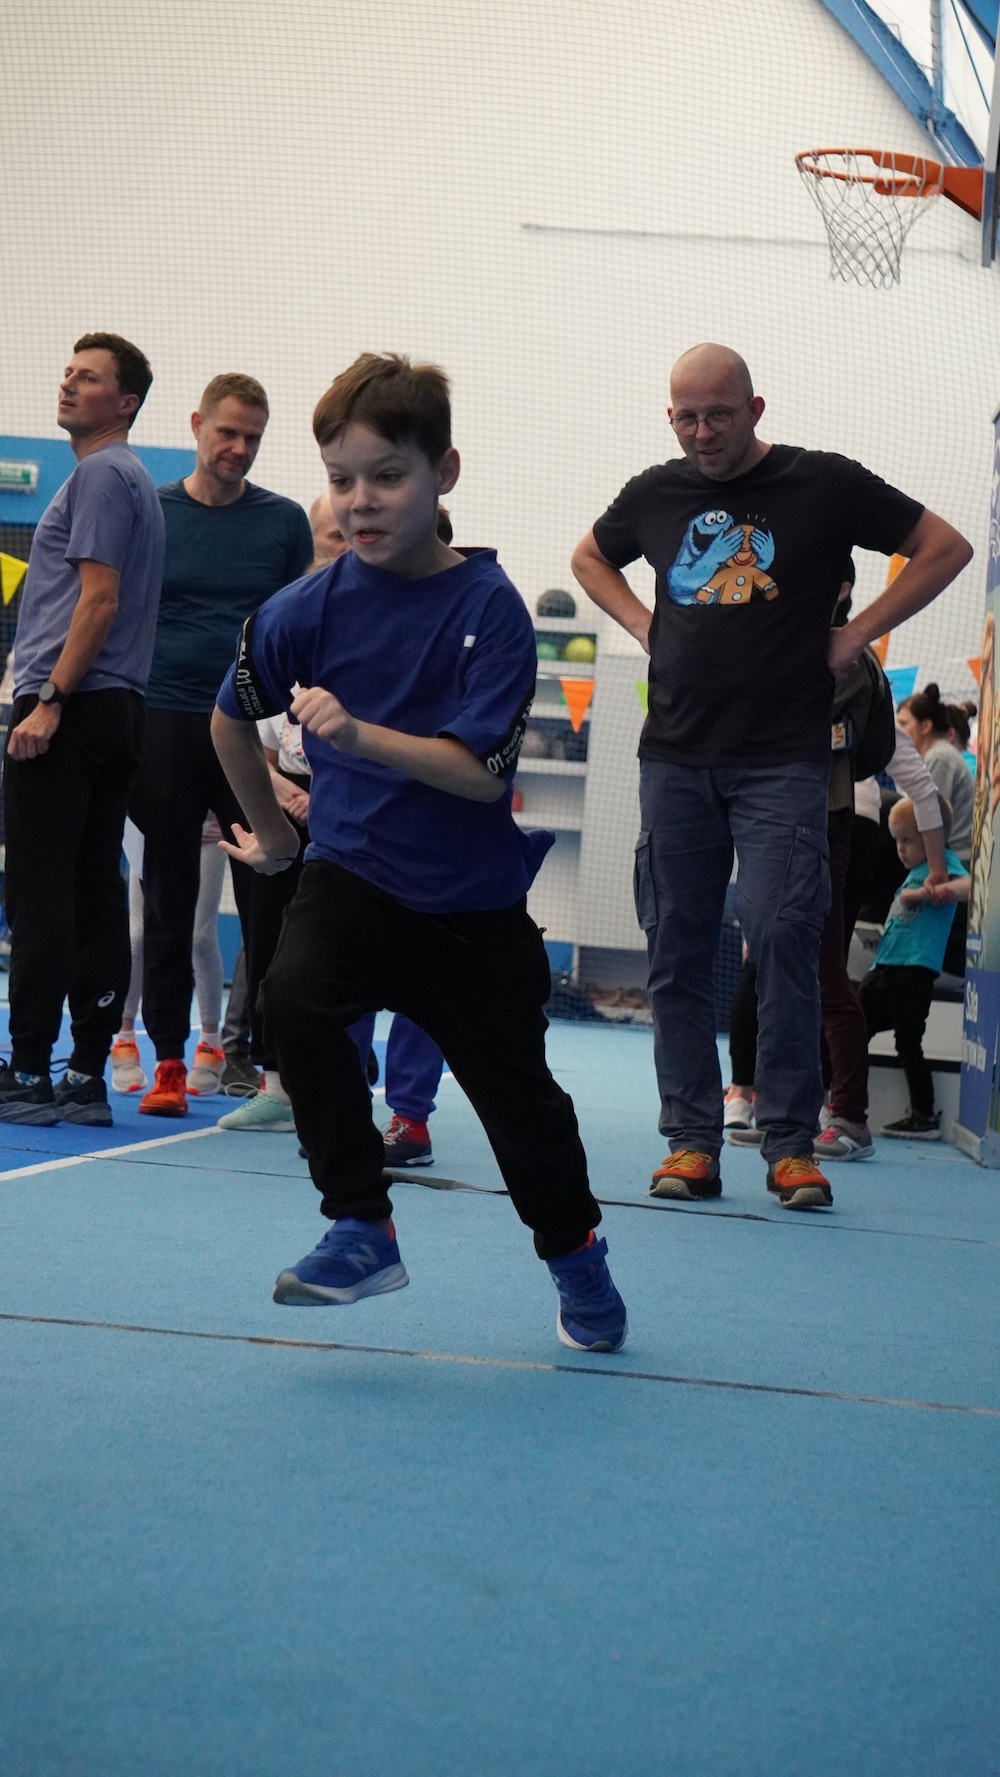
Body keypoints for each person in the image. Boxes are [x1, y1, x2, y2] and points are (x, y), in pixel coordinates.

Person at [211, 351, 626, 1354]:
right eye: (340, 479)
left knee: (528, 1122)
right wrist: (279, 837)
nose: (360, 500)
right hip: (350, 878)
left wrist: (357, 736)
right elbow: (227, 720)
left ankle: (577, 1257)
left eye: (387, 476)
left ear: (444, 472)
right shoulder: (303, 609)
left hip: (470, 913)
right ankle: (361, 1224)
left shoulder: (489, 609)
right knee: (292, 1000)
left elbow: (479, 776)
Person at [571, 341, 972, 1210]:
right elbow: (588, 558)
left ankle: (791, 1145)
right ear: (669, 417)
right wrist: (643, 624)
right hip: (675, 758)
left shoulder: (820, 483)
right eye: (687, 417)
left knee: (787, 941)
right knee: (676, 948)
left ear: (756, 409)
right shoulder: (655, 494)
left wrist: (855, 634)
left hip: (784, 763)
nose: (703, 432)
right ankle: (691, 1140)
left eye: (719, 414)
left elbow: (945, 546)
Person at [129, 372, 313, 1117]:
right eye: (227, 432)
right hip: (163, 723)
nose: (238, 447)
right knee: (168, 902)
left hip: (248, 730)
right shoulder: (151, 511)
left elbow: (301, 631)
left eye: (252, 437)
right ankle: (170, 1061)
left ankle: (272, 1071)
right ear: (197, 425)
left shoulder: (284, 523)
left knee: (270, 901)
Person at [0, 333, 164, 1126]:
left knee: (42, 890)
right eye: (67, 372)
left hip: (72, 704)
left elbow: (99, 599)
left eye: (88, 377)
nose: (68, 384)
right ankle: (86, 1072)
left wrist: (50, 697)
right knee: (95, 887)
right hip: (118, 709)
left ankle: (29, 1069)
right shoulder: (134, 479)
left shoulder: (101, 474)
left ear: (125, 402)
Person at [859, 798, 969, 1139]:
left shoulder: (942, 865)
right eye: (897, 841)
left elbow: (971, 887)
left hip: (914, 972)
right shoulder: (912, 874)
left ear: (932, 837)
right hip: (885, 966)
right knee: (853, 1029)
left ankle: (923, 1113)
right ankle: (843, 1103)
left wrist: (930, 892)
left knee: (908, 1043)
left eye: (907, 840)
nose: (900, 849)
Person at [110, 817, 229, 1094]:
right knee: (138, 936)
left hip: (205, 830)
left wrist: (224, 814)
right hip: (148, 828)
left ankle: (210, 1041)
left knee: (199, 936)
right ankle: (124, 1037)